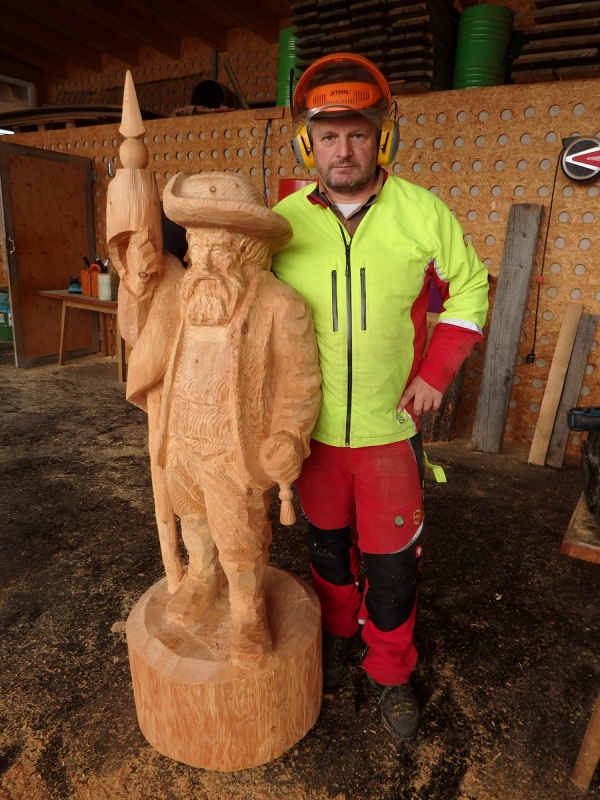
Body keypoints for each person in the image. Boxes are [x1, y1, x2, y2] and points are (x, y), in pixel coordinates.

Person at [272, 52, 489, 738]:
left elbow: (471, 288)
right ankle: (339, 638)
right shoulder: (281, 223)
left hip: (390, 432)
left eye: (358, 134)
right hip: (311, 432)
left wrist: (435, 373)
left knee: (394, 568)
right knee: (327, 552)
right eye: (329, 135)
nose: (344, 150)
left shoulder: (422, 213)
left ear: (382, 138)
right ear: (308, 143)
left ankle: (390, 670)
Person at [108, 162, 321, 666]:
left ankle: (247, 610)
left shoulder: (280, 305)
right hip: (180, 435)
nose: (202, 263)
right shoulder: (184, 294)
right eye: (196, 248)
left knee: (239, 535)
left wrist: (290, 435)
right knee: (193, 518)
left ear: (248, 253)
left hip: (233, 446)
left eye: (217, 251)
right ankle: (203, 577)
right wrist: (136, 279)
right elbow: (139, 333)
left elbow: (301, 382)